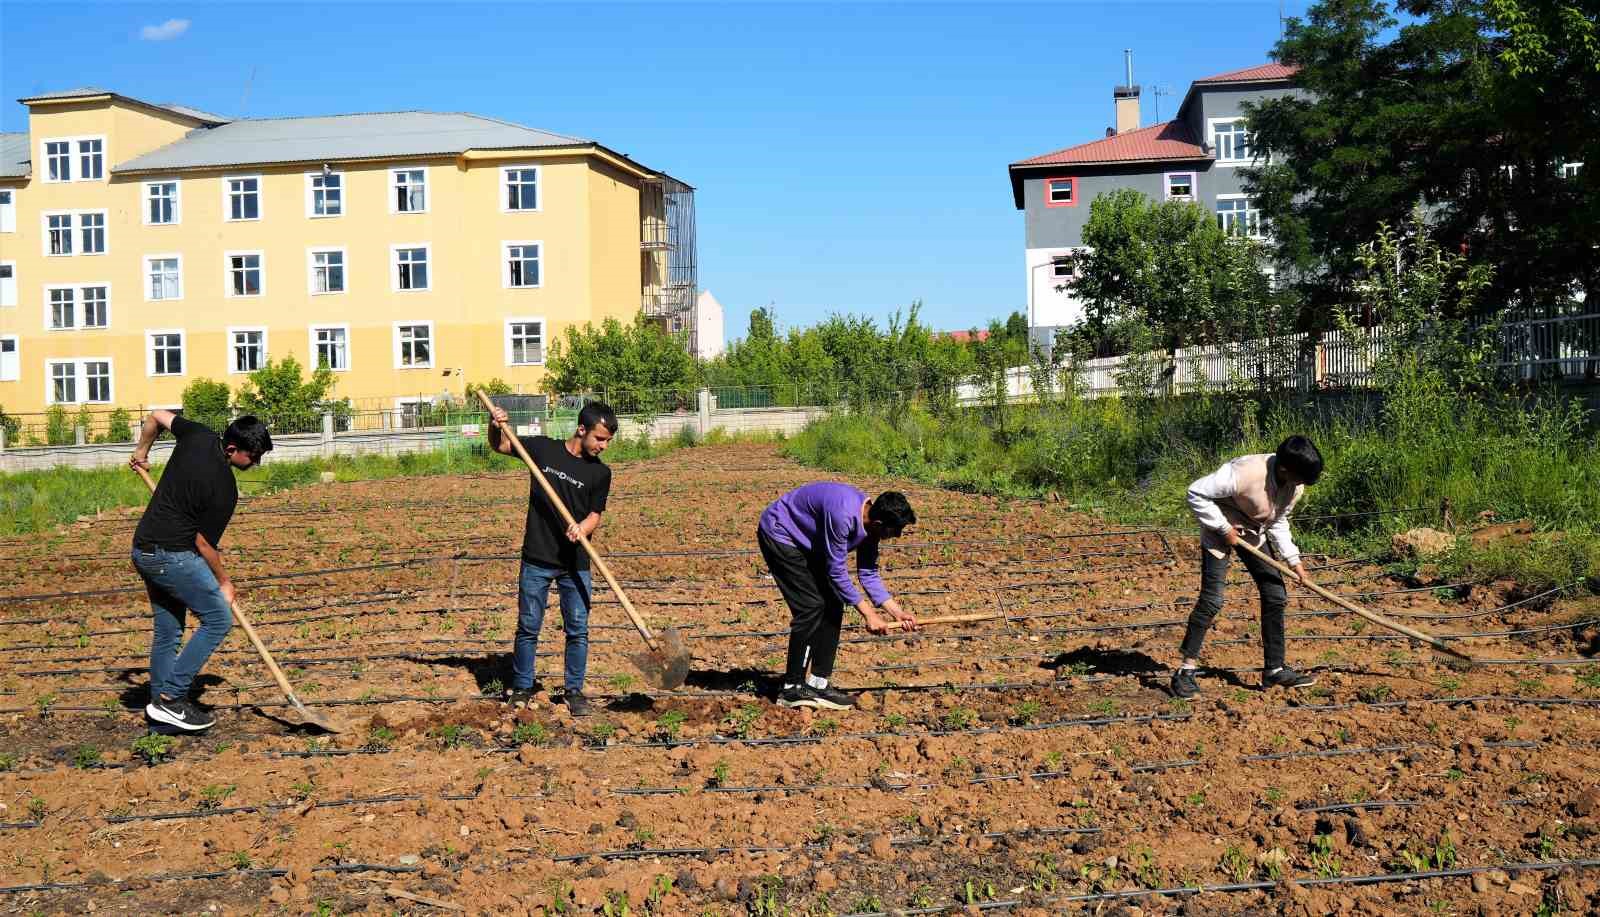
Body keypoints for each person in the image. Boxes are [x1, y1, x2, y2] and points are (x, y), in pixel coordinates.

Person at [130, 411, 273, 731]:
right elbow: (204, 545)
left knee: (168, 630)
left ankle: (159, 709)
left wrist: (141, 452)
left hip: (143, 549)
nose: (256, 463)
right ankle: (170, 698)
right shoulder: (224, 488)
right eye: (254, 455)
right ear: (232, 449)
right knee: (218, 618)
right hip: (170, 556)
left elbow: (155, 416)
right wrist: (224, 582)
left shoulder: (198, 434)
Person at [487, 401, 616, 717]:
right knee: (528, 626)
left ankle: (574, 692)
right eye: (599, 438)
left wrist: (582, 528)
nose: (603, 446)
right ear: (581, 430)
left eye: (608, 441)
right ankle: (521, 688)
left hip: (575, 563)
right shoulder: (543, 450)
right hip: (537, 557)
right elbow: (501, 444)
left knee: (578, 629)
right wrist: (494, 425)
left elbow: (595, 514)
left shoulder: (600, 473)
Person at [1170, 435, 1324, 699]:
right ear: (1286, 468)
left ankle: (1274, 669)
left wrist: (1293, 560)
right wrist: (1222, 527)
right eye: (1299, 478)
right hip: (1219, 529)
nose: (1300, 485)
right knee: (1212, 599)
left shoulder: (1293, 485)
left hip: (1253, 533)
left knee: (1275, 594)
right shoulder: (1244, 472)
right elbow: (1195, 492)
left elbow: (1276, 521)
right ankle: (1185, 671)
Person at [758, 482, 919, 710]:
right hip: (781, 533)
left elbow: (868, 572)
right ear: (879, 523)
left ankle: (818, 682)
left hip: (809, 542)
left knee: (833, 602)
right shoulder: (842, 516)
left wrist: (896, 612)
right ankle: (792, 688)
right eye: (896, 531)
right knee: (811, 607)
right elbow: (837, 572)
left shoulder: (870, 527)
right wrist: (869, 615)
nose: (899, 536)